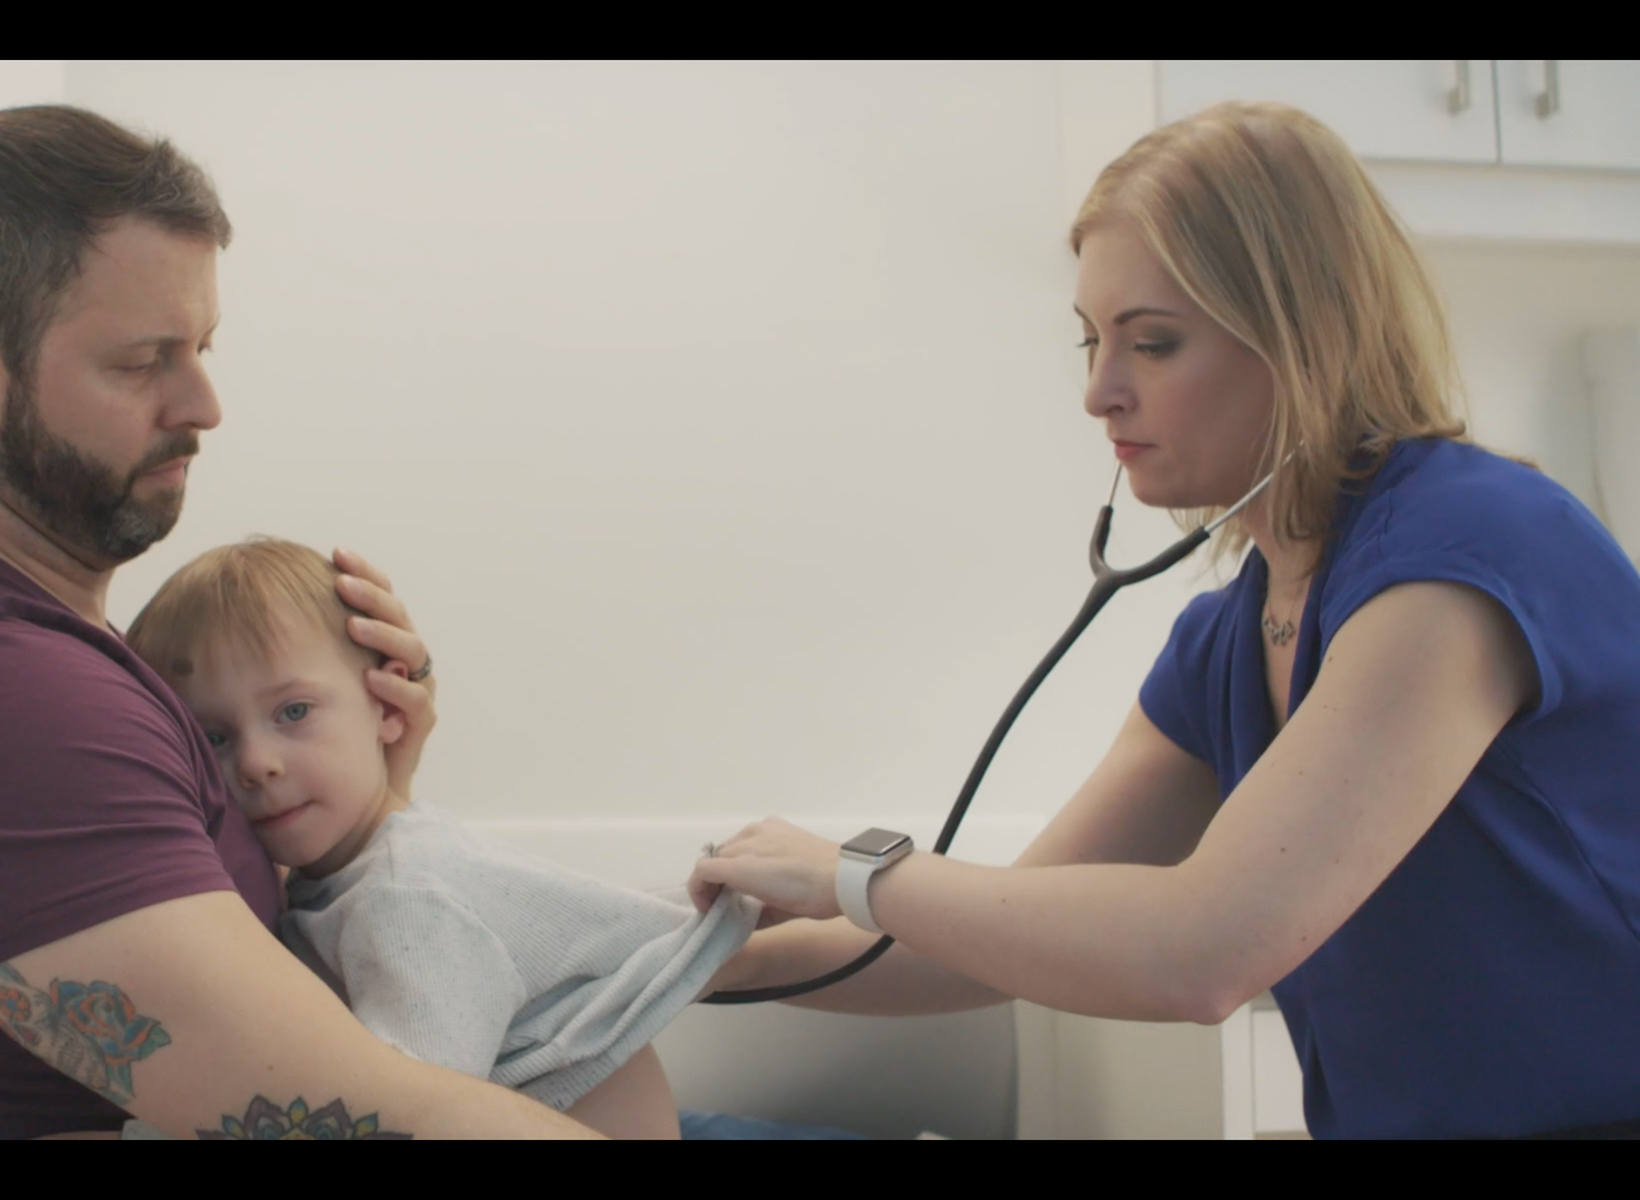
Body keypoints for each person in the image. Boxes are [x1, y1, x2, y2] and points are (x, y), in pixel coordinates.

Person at [689, 101, 1640, 1139]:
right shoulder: (1229, 641)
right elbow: (984, 943)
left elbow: (1205, 950)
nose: (1099, 392)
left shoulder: (1467, 552)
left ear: (1303, 339)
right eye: (1091, 340)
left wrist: (849, 872)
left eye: (1152, 343)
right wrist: (687, 963)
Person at [0, 105, 599, 1138]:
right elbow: (350, 1119)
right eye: (143, 361)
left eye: (202, 347)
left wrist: (375, 808)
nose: (203, 403)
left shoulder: (45, 658)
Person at [124, 538, 759, 1139]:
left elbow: (403, 1116)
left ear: (389, 706)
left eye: (293, 712)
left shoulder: (407, 900)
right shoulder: (348, 871)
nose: (255, 763)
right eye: (213, 738)